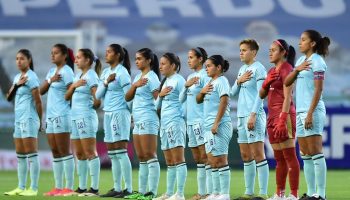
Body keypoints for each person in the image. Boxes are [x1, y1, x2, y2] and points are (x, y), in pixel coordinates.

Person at [284, 30, 330, 200]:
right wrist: (296, 70)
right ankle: (311, 193)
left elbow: (319, 89)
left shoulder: (318, 62)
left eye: (303, 40)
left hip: (313, 111)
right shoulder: (302, 61)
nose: (299, 42)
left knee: (315, 151)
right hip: (301, 111)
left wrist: (310, 113)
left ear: (312, 44)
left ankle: (321, 194)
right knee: (305, 153)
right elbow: (287, 82)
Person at [259, 39, 300, 200]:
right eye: (269, 50)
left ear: (283, 52)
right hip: (271, 116)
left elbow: (288, 96)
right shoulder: (271, 71)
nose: (270, 52)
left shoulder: (287, 69)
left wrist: (283, 119)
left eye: (273, 50)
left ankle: (294, 194)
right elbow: (262, 95)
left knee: (290, 156)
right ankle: (279, 194)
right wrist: (267, 82)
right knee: (278, 158)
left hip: (285, 115)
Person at [231, 39, 269, 200]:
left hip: (254, 115)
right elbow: (232, 92)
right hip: (241, 116)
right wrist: (238, 81)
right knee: (246, 156)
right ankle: (248, 192)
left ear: (253, 52)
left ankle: (263, 192)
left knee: (258, 154)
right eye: (240, 50)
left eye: (244, 50)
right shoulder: (242, 69)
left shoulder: (259, 69)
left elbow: (262, 94)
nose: (241, 53)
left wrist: (253, 114)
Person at [123, 48, 161, 200]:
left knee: (150, 155)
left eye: (139, 58)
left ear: (149, 60)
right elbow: (127, 97)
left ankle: (151, 192)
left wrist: (160, 120)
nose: (136, 61)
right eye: (136, 58)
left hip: (148, 119)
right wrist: (135, 85)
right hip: (137, 120)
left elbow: (158, 102)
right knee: (141, 156)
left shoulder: (152, 78)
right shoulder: (139, 76)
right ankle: (142, 191)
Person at [96, 44, 133, 198]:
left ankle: (128, 189)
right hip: (108, 114)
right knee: (113, 153)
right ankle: (117, 188)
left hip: (120, 113)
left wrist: (131, 115)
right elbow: (98, 94)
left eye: (109, 52)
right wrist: (106, 82)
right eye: (106, 51)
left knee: (121, 151)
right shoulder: (106, 72)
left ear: (118, 55)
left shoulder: (122, 73)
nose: (106, 54)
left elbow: (129, 97)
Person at [4, 49, 42, 196]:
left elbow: (38, 101)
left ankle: (33, 188)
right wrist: (17, 85)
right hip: (18, 119)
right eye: (17, 59)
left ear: (29, 60)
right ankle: (21, 186)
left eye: (22, 59)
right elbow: (8, 97)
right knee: (20, 155)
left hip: (29, 118)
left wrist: (40, 121)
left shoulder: (31, 77)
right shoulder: (17, 78)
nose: (19, 61)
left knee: (31, 154)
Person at [64, 48, 101, 196]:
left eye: (79, 58)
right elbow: (67, 97)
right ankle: (82, 186)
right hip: (75, 117)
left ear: (88, 60)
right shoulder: (78, 76)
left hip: (86, 117)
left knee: (90, 152)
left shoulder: (91, 76)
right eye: (76, 57)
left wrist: (95, 105)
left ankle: (94, 188)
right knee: (79, 153)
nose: (75, 60)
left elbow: (97, 97)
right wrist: (73, 86)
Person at [40, 44, 75, 196]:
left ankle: (69, 187)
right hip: (50, 116)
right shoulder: (51, 72)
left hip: (62, 114)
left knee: (64, 151)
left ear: (64, 56)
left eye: (55, 53)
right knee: (55, 152)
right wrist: (50, 80)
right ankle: (58, 187)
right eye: (51, 53)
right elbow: (41, 91)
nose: (52, 56)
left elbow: (72, 92)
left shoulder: (67, 72)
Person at [196, 55, 232, 200]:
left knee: (220, 160)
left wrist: (216, 122)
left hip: (220, 125)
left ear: (218, 67)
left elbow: (224, 101)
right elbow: (198, 100)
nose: (206, 68)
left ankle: (225, 194)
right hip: (208, 127)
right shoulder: (210, 82)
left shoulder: (222, 81)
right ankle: (215, 193)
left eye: (209, 66)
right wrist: (202, 91)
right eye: (206, 66)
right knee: (212, 160)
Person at [179, 47, 212, 199]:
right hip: (190, 122)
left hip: (201, 122)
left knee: (206, 157)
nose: (188, 60)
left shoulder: (206, 75)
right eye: (188, 57)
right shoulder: (190, 77)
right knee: (198, 158)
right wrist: (186, 86)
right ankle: (201, 192)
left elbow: (211, 98)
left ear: (200, 59)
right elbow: (181, 99)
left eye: (191, 57)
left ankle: (210, 193)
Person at [154, 53, 187, 200]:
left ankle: (179, 193)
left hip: (175, 122)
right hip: (164, 124)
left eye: (163, 64)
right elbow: (156, 106)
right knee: (169, 161)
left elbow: (186, 101)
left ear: (173, 66)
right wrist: (160, 95)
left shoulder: (179, 80)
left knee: (178, 159)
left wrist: (179, 117)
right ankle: (168, 193)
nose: (160, 67)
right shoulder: (165, 81)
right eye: (160, 64)